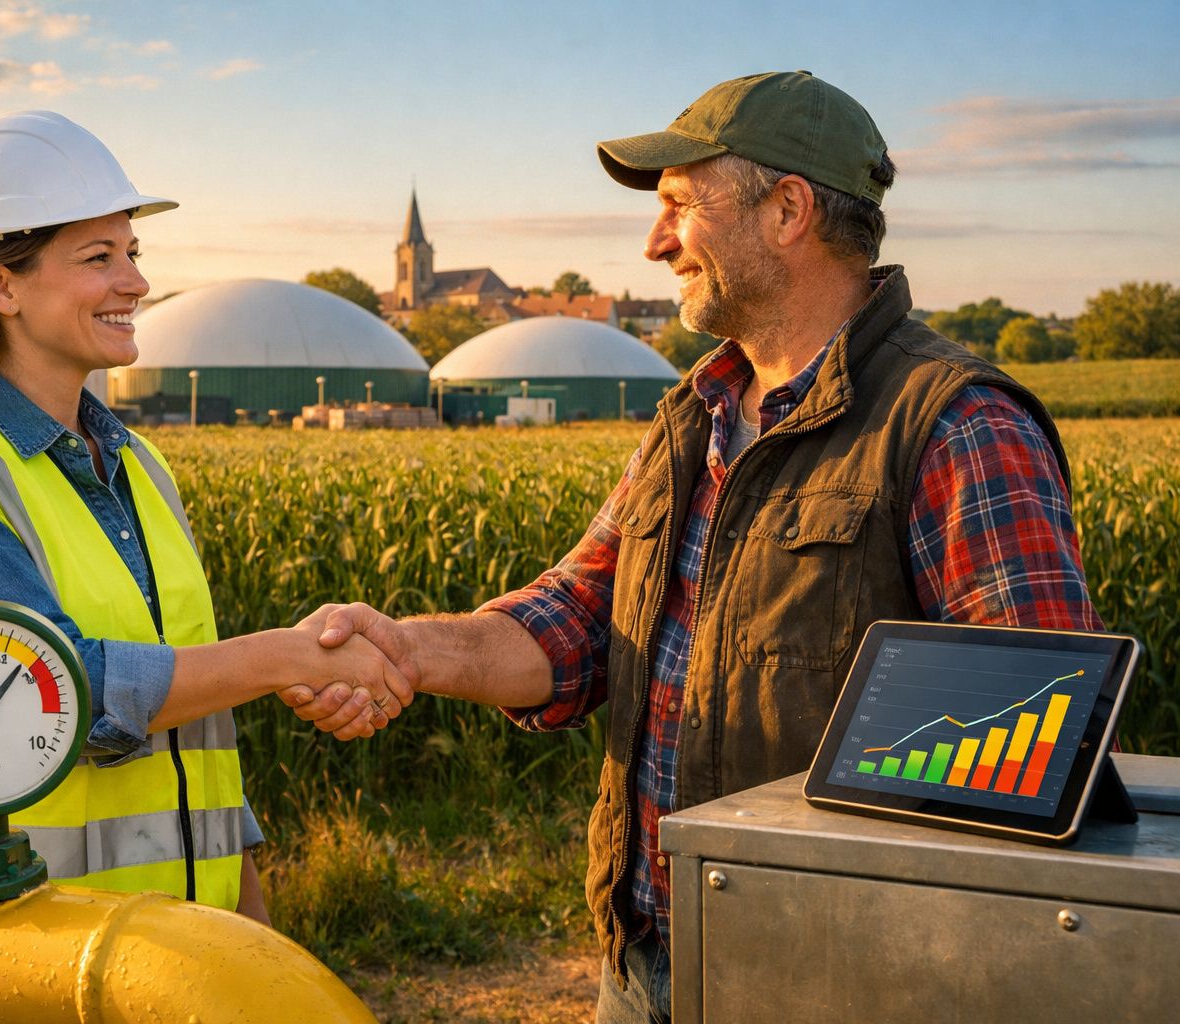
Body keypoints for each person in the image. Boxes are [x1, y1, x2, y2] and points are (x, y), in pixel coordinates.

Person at [286, 71, 1101, 1020]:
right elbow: (580, 618)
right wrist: (405, 648)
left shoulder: (950, 425)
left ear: (789, 210)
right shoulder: (693, 416)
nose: (654, 240)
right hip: (645, 963)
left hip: (838, 981)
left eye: (680, 205)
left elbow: (1039, 744)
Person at [0, 111, 405, 924]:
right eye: (98, 258)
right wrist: (286, 657)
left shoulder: (136, 465)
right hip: (10, 949)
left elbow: (189, 736)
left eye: (132, 254)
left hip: (174, 949)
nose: (135, 282)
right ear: (1, 286)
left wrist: (248, 927)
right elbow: (55, 693)